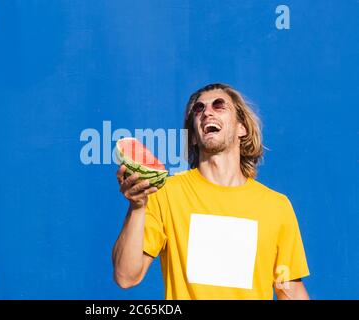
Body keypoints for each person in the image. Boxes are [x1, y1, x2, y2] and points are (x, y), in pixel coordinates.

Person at [112, 83, 310, 300]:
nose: (207, 112)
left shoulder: (276, 207)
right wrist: (137, 207)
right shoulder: (166, 194)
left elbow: (289, 290)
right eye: (199, 109)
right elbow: (126, 277)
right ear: (194, 137)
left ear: (241, 128)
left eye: (219, 105)